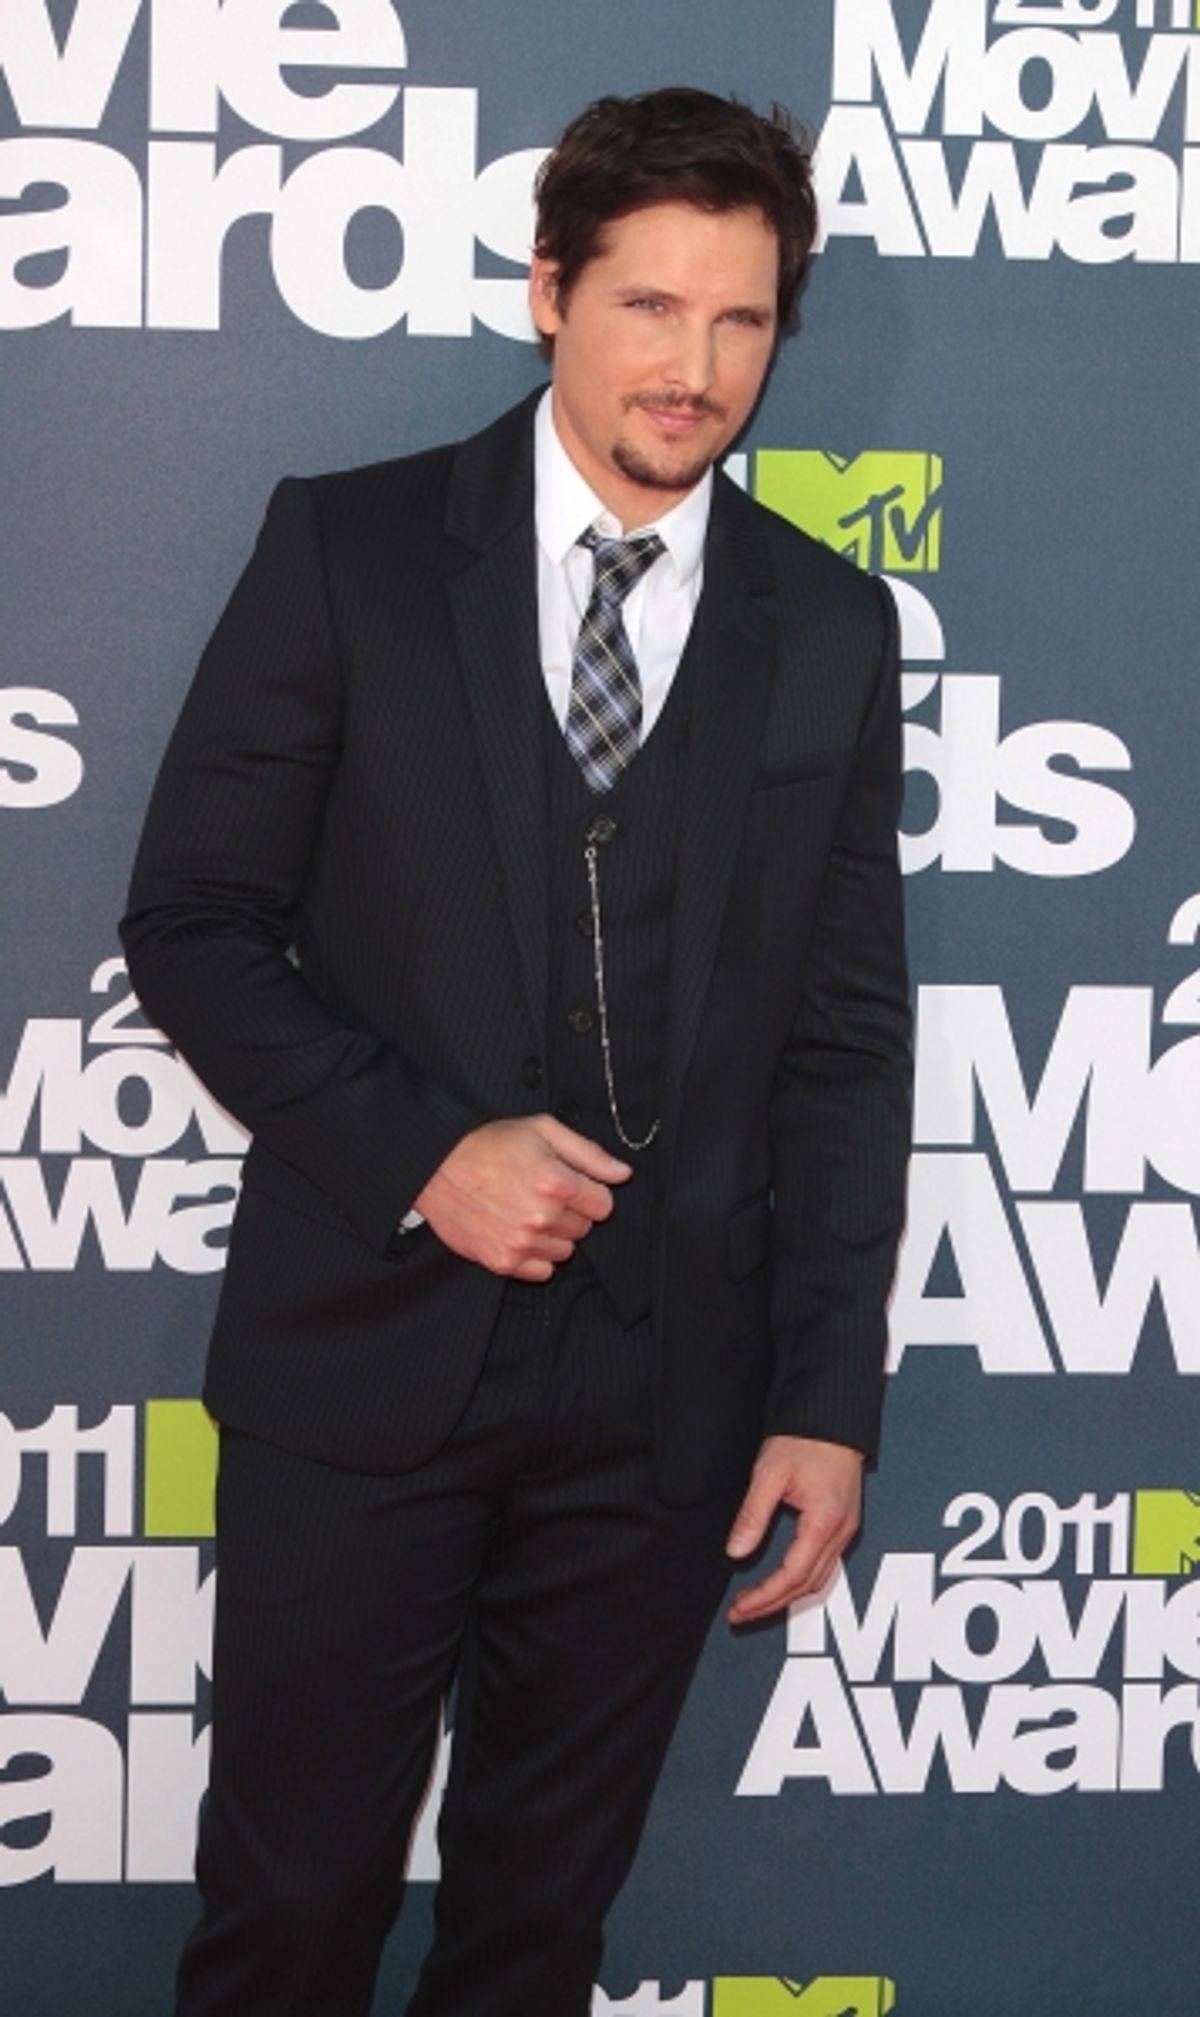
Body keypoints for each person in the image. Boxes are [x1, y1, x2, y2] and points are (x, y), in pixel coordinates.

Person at [121, 85, 911, 2017]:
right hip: (368, 1368)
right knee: (290, 1925)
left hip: (665, 1414)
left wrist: (828, 1391)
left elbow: (844, 1039)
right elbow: (194, 925)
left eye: (741, 321)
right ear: (549, 291)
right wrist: (426, 1151)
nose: (696, 368)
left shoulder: (829, 620)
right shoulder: (353, 552)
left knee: (534, 1945)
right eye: (650, 308)